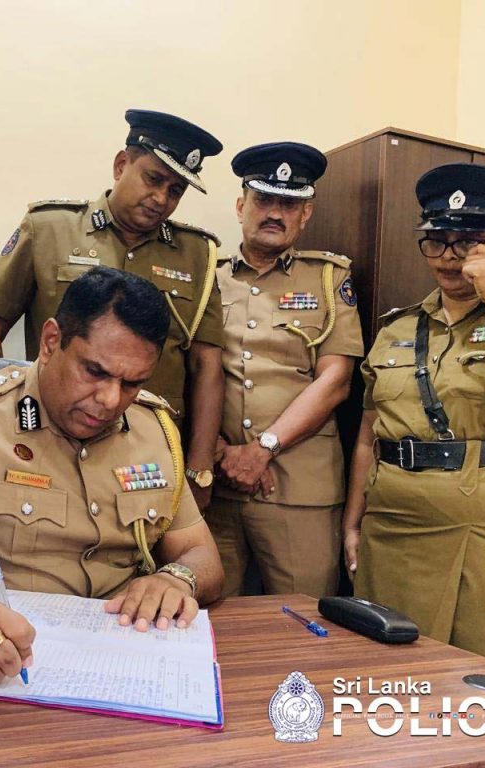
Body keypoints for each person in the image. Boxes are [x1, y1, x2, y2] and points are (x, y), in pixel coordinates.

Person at [0, 267, 224, 685]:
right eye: (96, 372)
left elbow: (202, 554)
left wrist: (177, 578)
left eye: (132, 383)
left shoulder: (153, 429)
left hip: (122, 663)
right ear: (51, 342)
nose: (110, 400)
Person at [0, 110, 227, 513]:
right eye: (153, 179)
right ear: (121, 165)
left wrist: (200, 466)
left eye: (175, 190)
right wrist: (8, 420)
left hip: (150, 452)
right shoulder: (49, 228)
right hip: (52, 438)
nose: (161, 199)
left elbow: (207, 365)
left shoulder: (197, 254)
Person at [343, 163, 485, 674]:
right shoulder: (395, 329)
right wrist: (353, 522)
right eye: (437, 241)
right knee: (390, 672)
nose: (451, 257)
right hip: (397, 524)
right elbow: (369, 435)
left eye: (470, 242)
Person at [206, 143, 364, 598]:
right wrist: (219, 451)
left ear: (305, 214)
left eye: (289, 204)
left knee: (305, 618)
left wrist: (262, 450)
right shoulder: (206, 276)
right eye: (263, 200)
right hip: (215, 484)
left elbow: (335, 382)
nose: (275, 213)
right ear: (241, 206)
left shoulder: (329, 279)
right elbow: (184, 372)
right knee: (212, 617)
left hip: (300, 490)